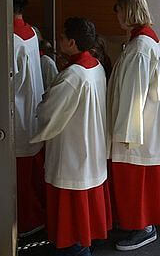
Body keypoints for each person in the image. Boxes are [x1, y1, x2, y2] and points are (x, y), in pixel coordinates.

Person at [32, 17, 111, 256]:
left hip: (73, 149)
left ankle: (76, 247)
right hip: (90, 143)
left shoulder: (73, 75)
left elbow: (48, 111)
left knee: (72, 210)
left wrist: (42, 104)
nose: (59, 40)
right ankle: (84, 243)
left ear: (72, 43)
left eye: (63, 37)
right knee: (85, 201)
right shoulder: (95, 65)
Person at [107, 0, 160, 250]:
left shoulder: (140, 47)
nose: (117, 15)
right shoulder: (145, 42)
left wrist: (124, 132)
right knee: (137, 182)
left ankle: (142, 227)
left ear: (129, 11)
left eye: (119, 10)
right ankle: (138, 223)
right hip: (144, 126)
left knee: (134, 181)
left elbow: (134, 95)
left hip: (136, 130)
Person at [13, 0, 46, 237]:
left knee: (21, 180)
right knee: (31, 174)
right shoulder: (31, 33)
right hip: (32, 109)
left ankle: (28, 222)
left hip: (18, 114)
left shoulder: (12, 39)